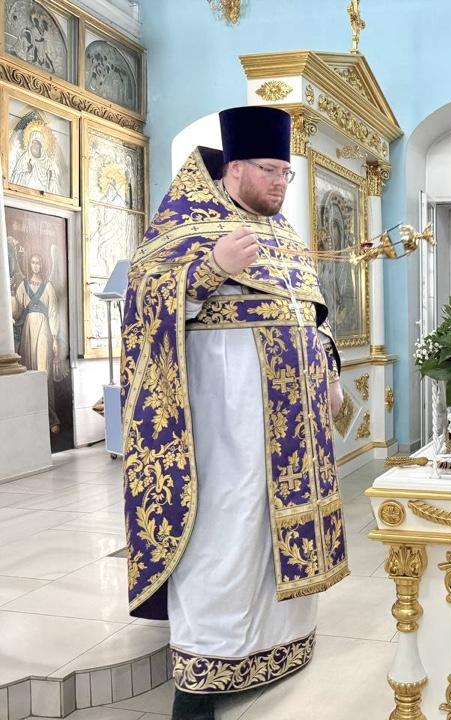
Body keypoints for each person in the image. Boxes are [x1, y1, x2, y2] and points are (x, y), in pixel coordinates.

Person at [121, 106, 348, 720]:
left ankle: (276, 650)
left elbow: (312, 314)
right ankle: (202, 674)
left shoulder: (283, 234)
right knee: (225, 530)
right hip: (223, 418)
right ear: (236, 167)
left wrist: (329, 375)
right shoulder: (185, 225)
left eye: (286, 172)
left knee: (272, 532)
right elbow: (143, 303)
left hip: (292, 421)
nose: (280, 182)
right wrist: (210, 269)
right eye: (270, 170)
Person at [11, 251, 67, 432]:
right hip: (28, 331)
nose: (36, 266)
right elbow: (17, 312)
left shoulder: (48, 287)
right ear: (30, 265)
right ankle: (30, 415)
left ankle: (50, 418)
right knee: (29, 369)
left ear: (42, 265)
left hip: (43, 330)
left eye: (39, 263)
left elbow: (53, 313)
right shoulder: (22, 286)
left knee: (44, 372)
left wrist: (55, 339)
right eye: (33, 262)